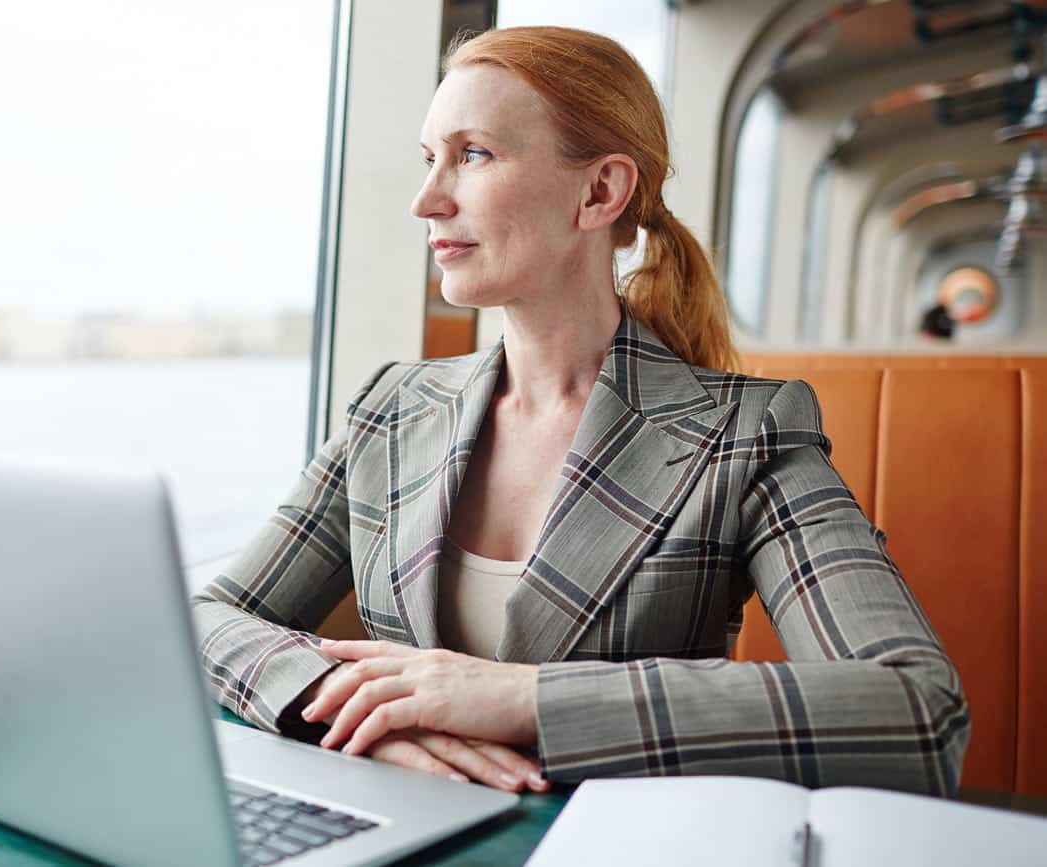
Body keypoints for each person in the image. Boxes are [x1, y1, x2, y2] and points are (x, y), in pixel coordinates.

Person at [192, 26, 969, 797]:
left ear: (600, 191)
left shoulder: (747, 432)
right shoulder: (390, 409)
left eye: (474, 154)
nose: (427, 199)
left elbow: (915, 707)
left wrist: (520, 697)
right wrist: (375, 714)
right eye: (431, 158)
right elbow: (202, 618)